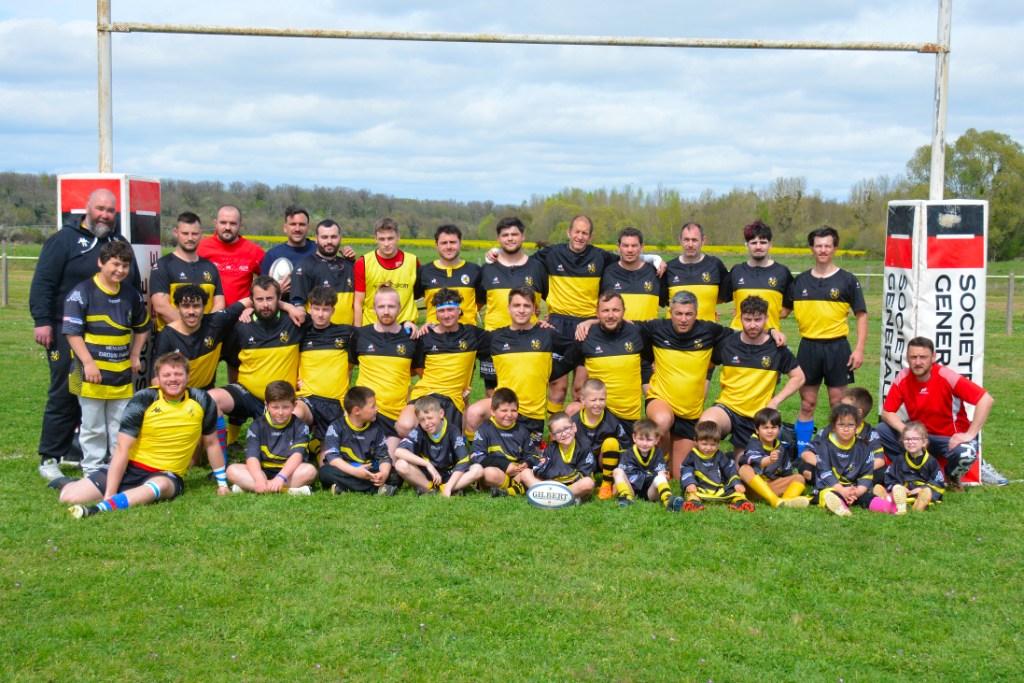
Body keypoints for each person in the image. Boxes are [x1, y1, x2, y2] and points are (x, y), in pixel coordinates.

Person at [30, 187, 140, 480]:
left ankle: (102, 458)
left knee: (108, 398)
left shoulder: (119, 243)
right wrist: (42, 320)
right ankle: (51, 456)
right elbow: (43, 282)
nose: (105, 215)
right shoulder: (63, 240)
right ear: (87, 208)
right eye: (100, 208)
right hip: (67, 331)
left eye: (110, 210)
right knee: (66, 390)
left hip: (109, 337)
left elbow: (132, 287)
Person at [60, 352, 229, 517]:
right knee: (68, 497)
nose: (173, 379)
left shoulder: (202, 400)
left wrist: (222, 484)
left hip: (166, 475)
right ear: (158, 378)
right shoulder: (143, 399)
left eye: (178, 374)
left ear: (188, 376)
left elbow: (212, 443)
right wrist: (109, 492)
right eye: (167, 375)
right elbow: (122, 449)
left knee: (160, 486)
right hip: (131, 468)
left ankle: (100, 509)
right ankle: (95, 489)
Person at [62, 240, 150, 475]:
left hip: (121, 374)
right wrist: (88, 363)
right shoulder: (81, 292)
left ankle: (116, 468)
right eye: (115, 264)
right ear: (101, 263)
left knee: (119, 425)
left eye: (125, 265)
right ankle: (92, 470)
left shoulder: (131, 294)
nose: (120, 270)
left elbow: (142, 327)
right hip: (89, 373)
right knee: (93, 426)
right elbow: (72, 333)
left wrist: (135, 354)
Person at [877, 336, 1001, 486]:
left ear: (933, 357)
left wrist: (969, 434)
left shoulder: (946, 376)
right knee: (881, 431)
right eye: (913, 357)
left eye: (923, 357)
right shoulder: (903, 376)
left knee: (966, 453)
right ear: (907, 358)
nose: (918, 362)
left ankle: (953, 476)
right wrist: (907, 432)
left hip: (950, 439)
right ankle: (911, 470)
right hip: (921, 437)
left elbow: (986, 399)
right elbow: (887, 412)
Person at [789, 226, 868, 454]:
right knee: (807, 403)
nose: (823, 250)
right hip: (808, 347)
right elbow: (781, 310)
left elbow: (862, 315)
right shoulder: (800, 281)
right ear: (811, 248)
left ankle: (838, 452)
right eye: (818, 245)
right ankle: (803, 454)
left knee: (838, 404)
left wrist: (859, 349)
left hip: (837, 348)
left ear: (835, 248)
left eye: (827, 245)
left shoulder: (848, 280)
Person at [463, 287, 575, 445]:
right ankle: (476, 450)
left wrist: (551, 372)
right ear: (509, 308)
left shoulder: (546, 334)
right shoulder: (496, 337)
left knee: (523, 456)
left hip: (532, 416)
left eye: (526, 306)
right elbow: (462, 336)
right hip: (503, 409)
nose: (521, 310)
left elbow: (575, 349)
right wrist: (431, 328)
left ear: (534, 309)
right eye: (516, 305)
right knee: (473, 413)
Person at [641, 290, 732, 479]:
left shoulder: (709, 331)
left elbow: (743, 336)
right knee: (662, 420)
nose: (683, 319)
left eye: (688, 314)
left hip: (690, 413)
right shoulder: (657, 328)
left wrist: (771, 332)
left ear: (696, 313)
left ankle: (667, 465)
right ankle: (654, 465)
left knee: (679, 474)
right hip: (661, 400)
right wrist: (590, 322)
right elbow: (624, 326)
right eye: (678, 314)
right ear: (670, 313)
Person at [700, 296, 804, 456]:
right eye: (748, 319)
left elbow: (799, 377)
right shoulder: (728, 342)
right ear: (740, 317)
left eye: (758, 319)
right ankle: (710, 466)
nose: (753, 325)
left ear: (766, 318)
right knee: (707, 427)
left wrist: (775, 401)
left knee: (745, 466)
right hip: (728, 408)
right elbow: (708, 366)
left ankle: (734, 461)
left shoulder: (777, 348)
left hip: (757, 416)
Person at [208, 276, 304, 438]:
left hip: (280, 400)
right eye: (259, 299)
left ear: (279, 298)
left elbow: (316, 322)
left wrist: (288, 306)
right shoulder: (241, 325)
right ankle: (224, 447)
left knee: (275, 443)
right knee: (211, 398)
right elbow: (232, 361)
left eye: (270, 299)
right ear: (251, 300)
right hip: (248, 394)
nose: (265, 304)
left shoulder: (294, 322)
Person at [397, 288, 488, 436]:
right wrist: (406, 323)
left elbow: (501, 340)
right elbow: (416, 368)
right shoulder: (425, 336)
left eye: (450, 310)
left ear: (459, 310)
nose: (446, 315)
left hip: (452, 397)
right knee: (403, 426)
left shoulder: (473, 334)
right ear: (436, 314)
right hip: (424, 393)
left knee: (443, 435)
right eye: (442, 311)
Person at [477, 216, 548, 391]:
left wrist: (549, 319)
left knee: (527, 391)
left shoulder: (537, 268)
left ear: (523, 236)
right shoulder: (487, 269)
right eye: (505, 235)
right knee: (493, 395)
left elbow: (554, 300)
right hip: (494, 341)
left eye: (514, 234)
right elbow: (475, 306)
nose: (510, 238)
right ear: (498, 239)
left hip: (529, 342)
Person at [351, 287, 417, 455]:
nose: (386, 311)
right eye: (381, 306)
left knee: (389, 462)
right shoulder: (360, 335)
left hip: (395, 415)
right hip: (365, 412)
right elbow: (347, 368)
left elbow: (420, 373)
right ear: (374, 308)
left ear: (400, 307)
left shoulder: (411, 338)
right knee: (357, 458)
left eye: (391, 306)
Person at [291, 285, 355, 455]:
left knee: (328, 459)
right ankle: (295, 451)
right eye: (316, 308)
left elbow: (375, 334)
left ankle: (316, 444)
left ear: (333, 311)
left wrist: (407, 324)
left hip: (336, 403)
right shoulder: (300, 333)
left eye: (325, 309)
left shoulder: (346, 333)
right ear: (309, 309)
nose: (320, 314)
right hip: (308, 398)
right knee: (295, 412)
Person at [227, 380, 317, 495]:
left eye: (285, 407)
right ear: (267, 405)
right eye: (275, 407)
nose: (280, 412)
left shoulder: (300, 426)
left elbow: (297, 456)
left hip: (289, 472)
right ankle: (288, 490)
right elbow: (252, 457)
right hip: (262, 470)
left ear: (294, 406)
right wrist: (259, 478)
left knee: (310, 471)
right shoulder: (257, 426)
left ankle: (251, 488)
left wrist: (280, 477)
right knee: (231, 470)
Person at [152, 285, 248, 390]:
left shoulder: (215, 322)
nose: (191, 311)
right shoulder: (167, 335)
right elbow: (156, 377)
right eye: (186, 306)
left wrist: (249, 309)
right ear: (178, 308)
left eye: (196, 306)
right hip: (178, 393)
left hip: (207, 392)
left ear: (204, 307)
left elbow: (249, 300)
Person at [809, 404, 897, 517]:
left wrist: (857, 492)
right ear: (833, 427)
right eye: (841, 425)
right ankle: (840, 507)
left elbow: (867, 474)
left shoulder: (864, 447)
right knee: (828, 494)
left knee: (868, 497)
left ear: (857, 427)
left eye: (850, 425)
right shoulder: (824, 445)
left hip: (853, 488)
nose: (846, 429)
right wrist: (842, 490)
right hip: (831, 486)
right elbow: (825, 473)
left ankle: (891, 507)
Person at [451, 388, 539, 497]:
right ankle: (517, 487)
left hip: (517, 473)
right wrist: (505, 465)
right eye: (504, 411)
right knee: (489, 473)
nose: (509, 415)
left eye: (513, 410)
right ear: (493, 411)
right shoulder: (485, 429)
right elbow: (477, 456)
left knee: (528, 473)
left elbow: (532, 455)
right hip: (496, 472)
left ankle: (538, 491)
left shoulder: (522, 430)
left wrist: (527, 463)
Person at [149, 211, 225, 330]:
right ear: (176, 232)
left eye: (194, 234)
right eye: (185, 233)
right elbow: (161, 307)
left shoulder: (210, 267)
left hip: (205, 336)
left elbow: (219, 304)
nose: (190, 238)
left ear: (201, 234)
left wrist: (205, 329)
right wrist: (192, 328)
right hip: (173, 336)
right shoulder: (163, 265)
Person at [318, 386, 396, 495]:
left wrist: (383, 473)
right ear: (357, 410)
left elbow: (384, 457)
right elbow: (333, 458)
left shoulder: (376, 429)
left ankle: (343, 488)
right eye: (373, 406)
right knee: (325, 472)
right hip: (346, 469)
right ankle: (375, 489)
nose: (377, 409)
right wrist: (355, 471)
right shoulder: (336, 427)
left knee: (394, 476)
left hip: (369, 470)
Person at [722, 220, 792, 332]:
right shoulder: (736, 271)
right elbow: (719, 297)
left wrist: (770, 316)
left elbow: (788, 308)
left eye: (763, 242)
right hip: (739, 335)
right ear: (746, 245)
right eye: (753, 243)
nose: (758, 247)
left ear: (770, 245)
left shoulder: (782, 272)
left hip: (770, 336)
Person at [393, 395, 468, 495]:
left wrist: (449, 487)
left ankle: (446, 488)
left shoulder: (453, 430)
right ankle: (430, 488)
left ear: (441, 413)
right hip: (428, 474)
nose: (427, 423)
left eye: (430, 418)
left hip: (449, 474)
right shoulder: (419, 430)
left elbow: (464, 460)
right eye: (422, 420)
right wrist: (427, 464)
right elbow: (399, 451)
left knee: (477, 470)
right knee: (400, 464)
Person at [516, 412, 596, 503]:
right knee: (525, 473)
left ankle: (550, 496)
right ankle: (563, 498)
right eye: (558, 432)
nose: (564, 433)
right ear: (553, 436)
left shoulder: (584, 447)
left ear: (574, 427)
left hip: (573, 486)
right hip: (554, 484)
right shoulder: (550, 449)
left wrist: (560, 474)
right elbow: (543, 471)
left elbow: (584, 473)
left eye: (566, 428)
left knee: (588, 483)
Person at [737, 408, 809, 508]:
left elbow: (786, 473)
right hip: (752, 489)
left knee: (799, 478)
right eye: (765, 428)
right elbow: (755, 461)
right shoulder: (754, 442)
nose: (770, 431)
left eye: (773, 427)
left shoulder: (781, 448)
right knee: (744, 469)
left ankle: (786, 502)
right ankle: (774, 500)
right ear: (757, 430)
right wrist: (769, 460)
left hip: (771, 486)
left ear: (779, 429)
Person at [572, 379, 630, 501]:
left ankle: (606, 484)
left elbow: (625, 447)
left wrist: (624, 473)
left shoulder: (611, 421)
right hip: (583, 460)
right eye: (593, 400)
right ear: (583, 400)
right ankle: (582, 477)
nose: (598, 404)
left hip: (602, 461)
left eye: (602, 399)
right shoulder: (574, 421)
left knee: (611, 442)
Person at [353, 217, 419, 325]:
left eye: (390, 238)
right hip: (372, 326)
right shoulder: (363, 263)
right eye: (382, 239)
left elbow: (420, 294)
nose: (386, 243)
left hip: (404, 327)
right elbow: (358, 303)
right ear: (375, 239)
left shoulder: (413, 261)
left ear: (398, 237)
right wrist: (358, 331)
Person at [291, 218, 357, 325]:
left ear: (340, 238)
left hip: (348, 332)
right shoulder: (304, 266)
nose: (329, 241)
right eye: (324, 237)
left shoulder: (349, 265)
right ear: (316, 239)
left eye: (333, 237)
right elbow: (298, 305)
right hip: (317, 332)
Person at [197, 205, 265, 306]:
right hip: (208, 312)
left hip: (241, 313)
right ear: (215, 223)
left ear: (240, 225)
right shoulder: (201, 248)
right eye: (223, 223)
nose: (227, 227)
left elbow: (269, 283)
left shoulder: (254, 251)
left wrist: (253, 305)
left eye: (233, 223)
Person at [679, 421, 753, 512]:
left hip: (719, 489)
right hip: (700, 488)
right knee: (691, 492)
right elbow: (686, 470)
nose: (708, 448)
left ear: (718, 443)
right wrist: (690, 483)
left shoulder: (719, 455)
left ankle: (740, 502)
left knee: (737, 491)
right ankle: (694, 503)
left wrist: (736, 483)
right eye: (704, 444)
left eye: (713, 445)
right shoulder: (692, 456)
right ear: (696, 441)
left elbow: (730, 469)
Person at [662, 222, 729, 322]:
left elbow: (725, 295)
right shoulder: (669, 268)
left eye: (694, 240)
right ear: (680, 240)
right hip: (675, 331)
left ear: (703, 240)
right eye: (686, 240)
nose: (690, 244)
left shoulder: (715, 265)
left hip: (708, 330)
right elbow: (663, 300)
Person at [418, 224, 481, 325]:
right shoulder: (424, 271)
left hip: (468, 332)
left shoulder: (474, 270)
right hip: (435, 332)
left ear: (460, 243)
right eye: (444, 243)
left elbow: (481, 301)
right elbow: (411, 298)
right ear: (436, 245)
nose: (448, 247)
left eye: (452, 242)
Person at [877, 421, 945, 513]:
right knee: (895, 488)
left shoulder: (931, 461)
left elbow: (938, 481)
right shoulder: (899, 460)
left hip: (921, 490)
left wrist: (921, 488)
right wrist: (898, 487)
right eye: (907, 439)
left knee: (927, 491)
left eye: (915, 439)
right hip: (905, 490)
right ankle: (898, 503)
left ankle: (920, 502)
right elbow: (890, 477)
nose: (910, 442)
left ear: (924, 442)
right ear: (902, 441)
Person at [600, 227, 661, 322]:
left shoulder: (656, 272)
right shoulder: (607, 273)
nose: (630, 250)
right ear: (618, 247)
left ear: (642, 247)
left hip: (648, 331)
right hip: (618, 331)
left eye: (634, 245)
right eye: (625, 245)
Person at [611, 419, 674, 509]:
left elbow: (660, 473)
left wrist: (664, 475)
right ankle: (626, 497)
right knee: (617, 471)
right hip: (631, 489)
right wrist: (649, 475)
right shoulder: (628, 454)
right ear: (634, 438)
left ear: (657, 440)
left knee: (661, 476)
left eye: (649, 440)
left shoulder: (658, 453)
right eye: (641, 439)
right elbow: (628, 475)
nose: (644, 443)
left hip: (651, 492)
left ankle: (668, 500)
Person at [260, 205, 317, 293]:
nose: (297, 229)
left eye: (302, 224)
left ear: (308, 228)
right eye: (293, 224)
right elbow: (263, 291)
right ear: (285, 228)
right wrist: (277, 292)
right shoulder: (272, 255)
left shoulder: (318, 251)